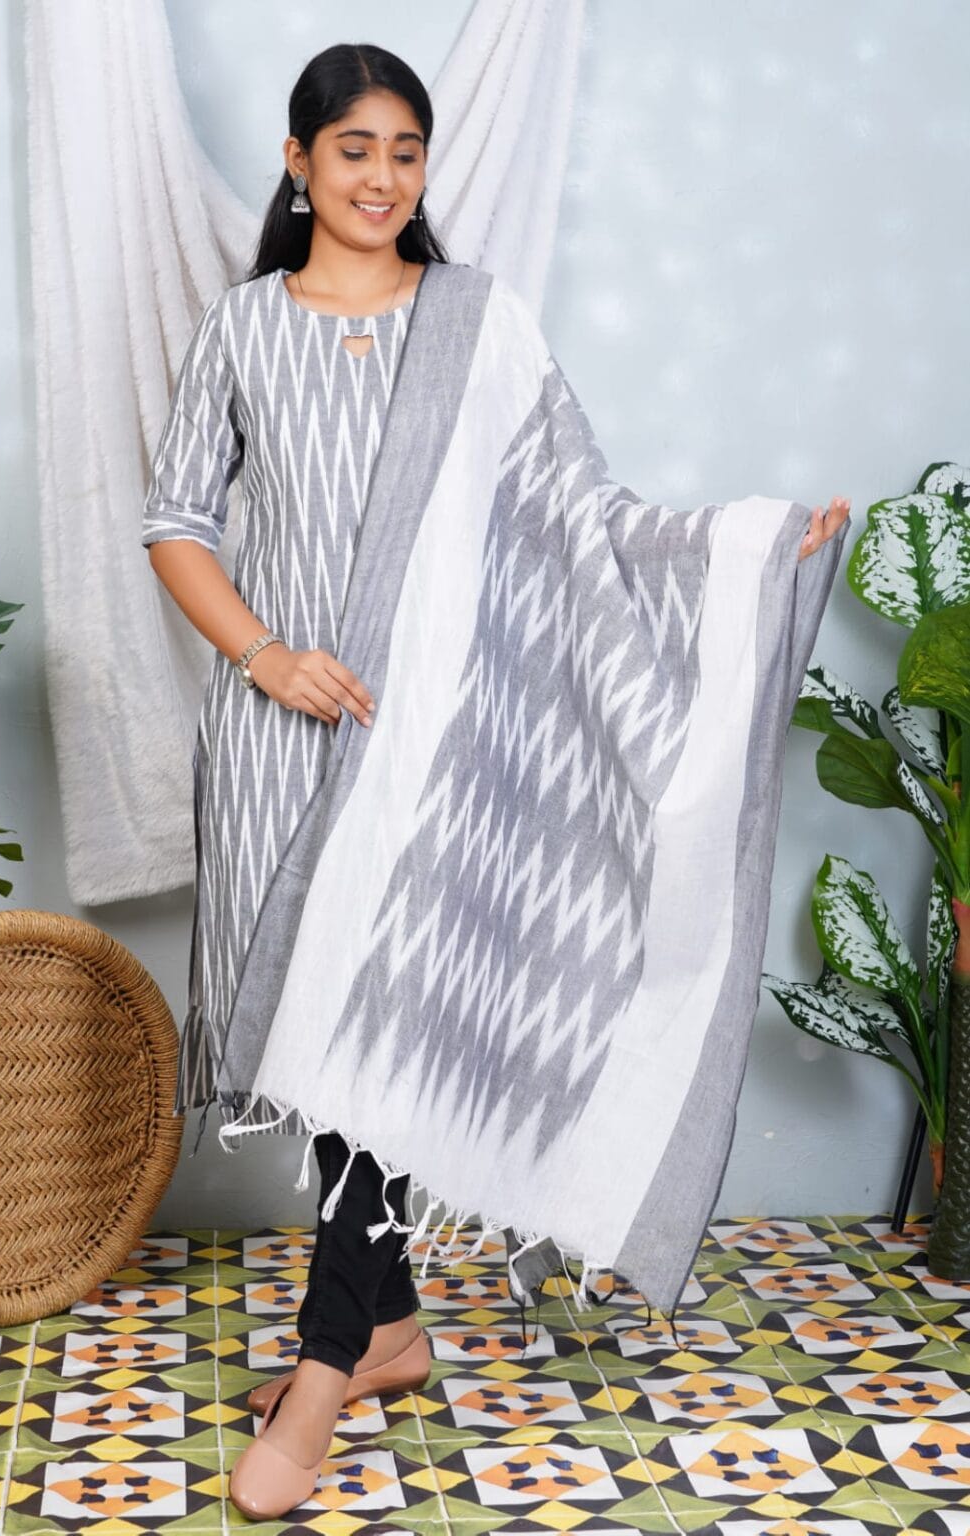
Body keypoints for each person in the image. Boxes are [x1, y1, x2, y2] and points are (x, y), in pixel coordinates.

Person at [143, 40, 850, 1523]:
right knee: (318, 1041)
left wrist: (744, 549)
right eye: (354, 150)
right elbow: (176, 522)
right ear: (298, 162)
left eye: (405, 151)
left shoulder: (477, 325)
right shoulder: (244, 328)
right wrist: (268, 657)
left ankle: (323, 1369)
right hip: (279, 745)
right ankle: (391, 1330)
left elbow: (587, 517)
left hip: (434, 760)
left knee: (385, 1032)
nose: (382, 177)